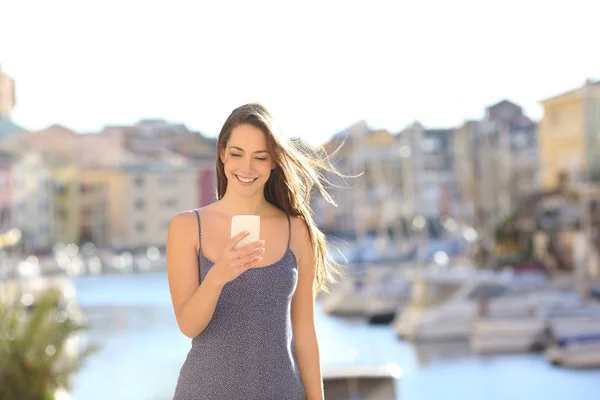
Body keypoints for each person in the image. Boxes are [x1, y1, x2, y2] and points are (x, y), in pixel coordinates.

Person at [166, 103, 345, 399]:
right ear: (222, 154)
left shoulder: (298, 230)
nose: (246, 168)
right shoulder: (187, 227)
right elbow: (189, 325)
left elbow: (305, 336)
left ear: (273, 162)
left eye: (259, 157)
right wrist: (218, 275)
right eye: (237, 154)